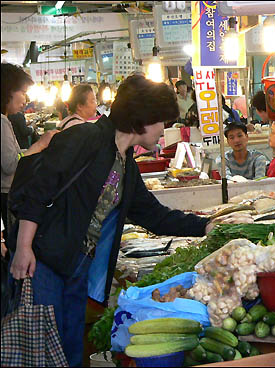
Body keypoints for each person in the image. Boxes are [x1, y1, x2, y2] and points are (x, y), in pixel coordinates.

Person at [8, 75, 222, 366]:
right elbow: (38, 190)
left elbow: (152, 214)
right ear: (143, 117)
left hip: (76, 267)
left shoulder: (124, 161)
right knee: (42, 350)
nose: (164, 130)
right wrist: (23, 248)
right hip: (43, 261)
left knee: (69, 350)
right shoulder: (86, 138)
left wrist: (205, 226)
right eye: (161, 121)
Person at [1, 63, 57, 245]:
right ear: (8, 91)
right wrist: (40, 145)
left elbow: (15, 156)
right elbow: (11, 165)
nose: (25, 100)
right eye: (23, 92)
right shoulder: (1, 122)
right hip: (5, 196)